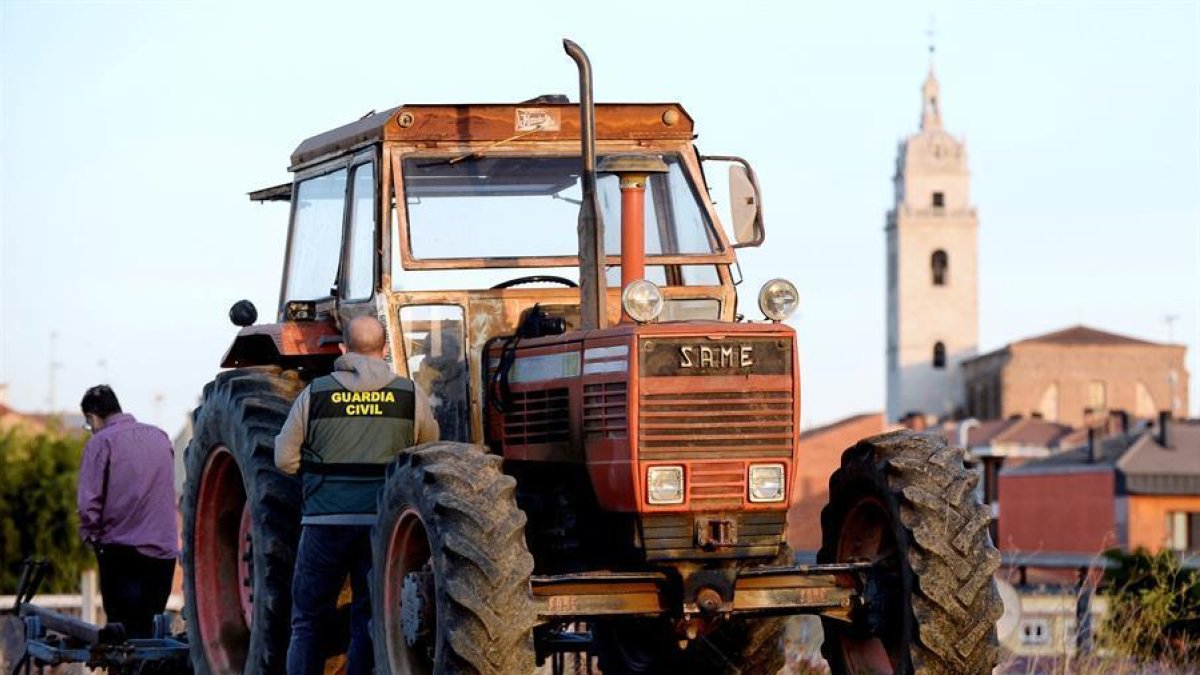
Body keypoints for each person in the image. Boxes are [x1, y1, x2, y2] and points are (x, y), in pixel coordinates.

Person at [275, 316, 439, 675]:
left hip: (323, 524)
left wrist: (319, 482)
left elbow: (284, 459)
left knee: (307, 622)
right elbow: (428, 455)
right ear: (384, 350)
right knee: (367, 619)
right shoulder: (410, 396)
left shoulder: (314, 394)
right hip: (379, 528)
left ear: (343, 350)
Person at [76, 384, 179, 639]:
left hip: (121, 553)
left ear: (92, 417)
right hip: (163, 555)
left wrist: (91, 535)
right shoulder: (160, 436)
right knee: (149, 635)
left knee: (122, 639)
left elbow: (88, 505)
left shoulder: (101, 442)